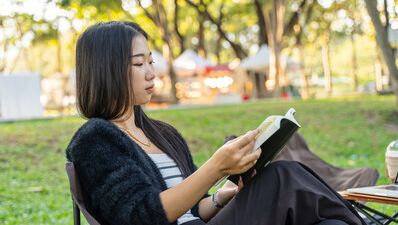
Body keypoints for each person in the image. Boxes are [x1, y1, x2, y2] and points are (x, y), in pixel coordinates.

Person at [66, 21, 365, 225]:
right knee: (282, 176)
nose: (151, 73)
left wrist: (225, 197)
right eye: (138, 63)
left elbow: (196, 208)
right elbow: (140, 216)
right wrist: (216, 168)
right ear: (106, 69)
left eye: (151, 61)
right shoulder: (95, 141)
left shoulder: (161, 133)